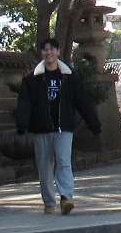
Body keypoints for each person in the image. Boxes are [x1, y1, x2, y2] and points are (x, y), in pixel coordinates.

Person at [14, 38, 100, 215]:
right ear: (41, 53)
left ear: (58, 52)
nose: (49, 52)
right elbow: (24, 103)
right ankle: (49, 201)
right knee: (44, 166)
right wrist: (22, 125)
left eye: (52, 49)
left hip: (64, 128)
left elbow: (82, 101)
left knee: (63, 162)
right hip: (41, 128)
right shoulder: (31, 79)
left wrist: (94, 124)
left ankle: (66, 198)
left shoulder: (70, 76)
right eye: (45, 50)